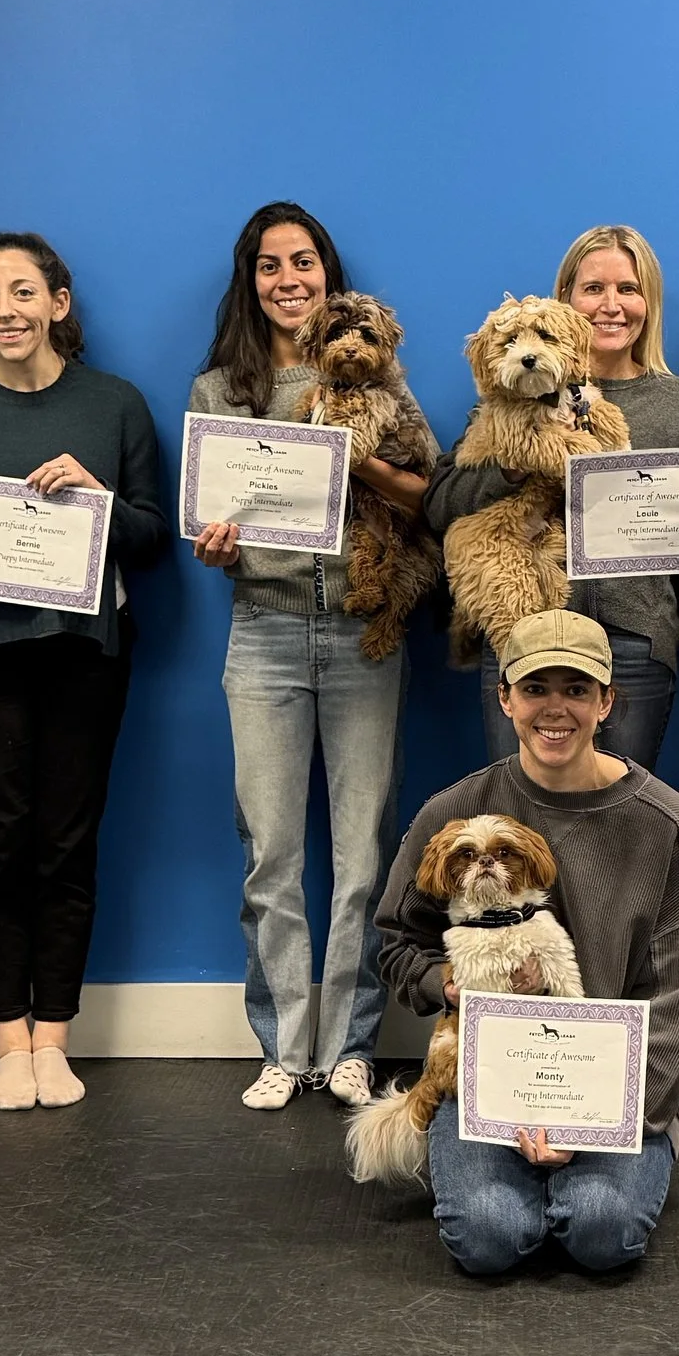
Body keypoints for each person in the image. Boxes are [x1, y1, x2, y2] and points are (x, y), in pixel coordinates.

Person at [0, 233, 166, 1112]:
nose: (5, 309)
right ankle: (6, 1037)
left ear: (59, 301)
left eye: (23, 291)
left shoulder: (117, 405)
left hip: (88, 655)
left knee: (67, 843)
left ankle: (55, 1037)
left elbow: (153, 538)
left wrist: (99, 500)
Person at [191, 205, 438, 1113]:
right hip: (263, 624)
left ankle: (350, 1045)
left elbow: (429, 498)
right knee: (272, 852)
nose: (287, 279)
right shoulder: (220, 390)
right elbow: (208, 523)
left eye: (303, 263)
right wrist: (214, 546)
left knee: (366, 853)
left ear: (329, 277)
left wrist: (354, 458)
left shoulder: (388, 380)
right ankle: (285, 1043)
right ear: (248, 280)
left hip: (364, 626)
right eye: (269, 265)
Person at [374, 612, 679, 1277]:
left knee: (600, 1232)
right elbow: (393, 944)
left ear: (607, 701)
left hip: (618, 1090)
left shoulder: (666, 821)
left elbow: (677, 995)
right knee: (491, 1237)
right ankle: (500, 1180)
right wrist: (445, 984)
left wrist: (595, 1118)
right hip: (489, 1081)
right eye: (535, 688)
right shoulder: (455, 811)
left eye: (577, 689)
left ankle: (588, 1181)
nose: (555, 709)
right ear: (505, 697)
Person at [426, 224, 679, 771]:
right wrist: (510, 467)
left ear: (648, 302)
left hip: (634, 647)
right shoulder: (512, 391)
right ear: (566, 302)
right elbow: (439, 505)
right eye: (593, 289)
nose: (611, 306)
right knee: (521, 826)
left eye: (628, 288)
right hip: (525, 638)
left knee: (617, 827)